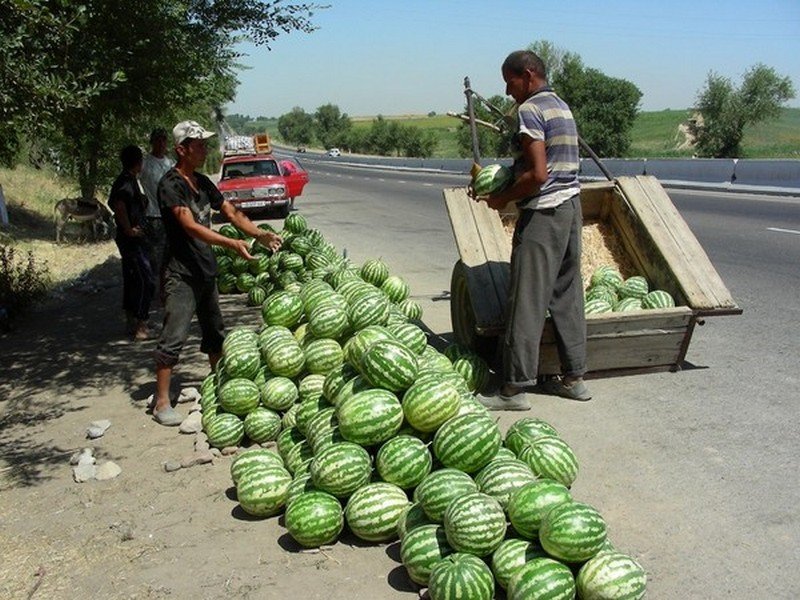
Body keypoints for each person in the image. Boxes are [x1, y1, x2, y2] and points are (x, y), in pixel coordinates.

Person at [473, 50, 591, 410]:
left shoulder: (530, 110)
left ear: (526, 75)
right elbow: (555, 165)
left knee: (526, 300)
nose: (509, 92)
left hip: (544, 214)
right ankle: (574, 379)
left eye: (509, 82)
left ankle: (514, 388)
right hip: (571, 208)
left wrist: (502, 199)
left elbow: (538, 175)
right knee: (567, 294)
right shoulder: (561, 105)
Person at [150, 120, 282, 426]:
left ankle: (220, 385)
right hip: (180, 273)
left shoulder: (203, 183)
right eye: (199, 144)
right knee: (174, 336)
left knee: (214, 333)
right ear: (182, 149)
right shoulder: (171, 184)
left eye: (205, 143)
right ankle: (161, 402)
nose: (204, 148)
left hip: (205, 270)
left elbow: (231, 213)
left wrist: (258, 233)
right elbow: (190, 226)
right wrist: (232, 243)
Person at [108, 145, 156, 340]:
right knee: (146, 279)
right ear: (138, 162)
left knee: (132, 279)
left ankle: (132, 320)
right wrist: (129, 229)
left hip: (128, 238)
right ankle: (141, 325)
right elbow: (118, 206)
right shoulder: (125, 182)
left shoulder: (127, 180)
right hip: (131, 239)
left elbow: (120, 203)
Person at [139, 128, 175, 290]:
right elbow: (134, 182)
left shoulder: (170, 164)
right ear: (152, 142)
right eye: (157, 140)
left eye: (163, 140)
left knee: (171, 254)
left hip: (171, 215)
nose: (161, 144)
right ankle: (156, 288)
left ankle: (167, 286)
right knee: (156, 256)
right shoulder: (145, 164)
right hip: (153, 216)